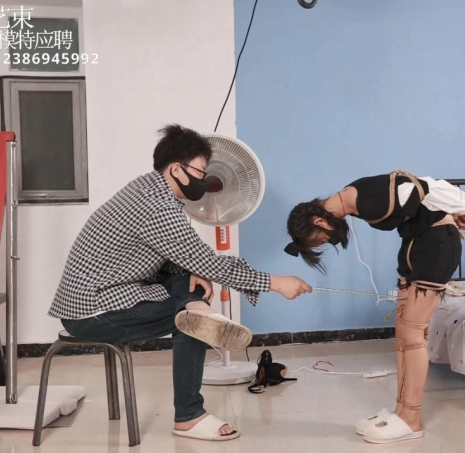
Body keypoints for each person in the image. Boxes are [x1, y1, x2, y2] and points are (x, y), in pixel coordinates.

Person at [48, 124, 312, 442]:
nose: (204, 180)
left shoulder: (149, 189)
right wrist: (275, 282)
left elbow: (177, 256)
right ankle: (188, 415)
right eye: (200, 172)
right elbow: (208, 262)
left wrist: (192, 268)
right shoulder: (156, 206)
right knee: (193, 319)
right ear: (176, 169)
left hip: (112, 292)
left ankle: (196, 307)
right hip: (93, 311)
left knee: (191, 284)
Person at [284, 170, 465, 444]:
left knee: (413, 334)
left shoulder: (368, 198)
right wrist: (457, 211)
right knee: (403, 331)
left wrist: (464, 208)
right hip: (415, 245)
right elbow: (420, 200)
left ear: (319, 220)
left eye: (323, 239)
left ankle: (411, 419)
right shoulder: (357, 200)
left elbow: (428, 186)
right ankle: (401, 411)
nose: (329, 241)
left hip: (436, 246)